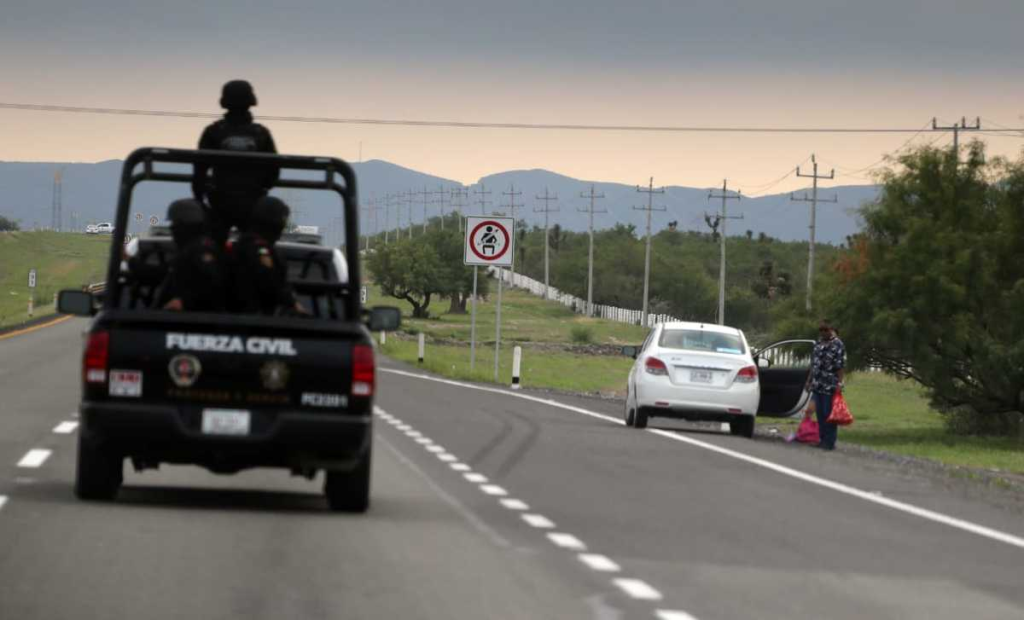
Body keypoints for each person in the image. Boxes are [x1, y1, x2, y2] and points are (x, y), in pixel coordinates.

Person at [192, 80, 279, 244]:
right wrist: (262, 188)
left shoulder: (213, 131)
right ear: (251, 101)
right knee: (254, 245)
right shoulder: (261, 133)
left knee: (213, 245)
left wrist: (200, 199)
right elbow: (274, 170)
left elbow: (199, 170)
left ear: (224, 102)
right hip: (252, 200)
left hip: (219, 201)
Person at [229, 196, 305, 316]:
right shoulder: (258, 249)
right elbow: (269, 282)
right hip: (255, 319)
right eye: (281, 224)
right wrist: (291, 302)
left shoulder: (242, 245)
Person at [156, 198, 226, 312]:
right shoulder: (187, 250)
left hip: (197, 317)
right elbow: (160, 271)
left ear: (183, 224)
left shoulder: (200, 248)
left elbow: (212, 282)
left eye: (175, 223)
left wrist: (185, 302)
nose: (172, 228)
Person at [805, 319, 846, 450]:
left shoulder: (837, 344)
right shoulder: (818, 343)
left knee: (828, 413)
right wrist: (809, 380)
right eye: (821, 330)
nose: (823, 332)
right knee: (820, 413)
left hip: (830, 384)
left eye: (825, 330)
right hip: (818, 384)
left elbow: (840, 365)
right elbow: (814, 364)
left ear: (831, 330)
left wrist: (840, 383)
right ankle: (822, 439)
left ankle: (830, 441)